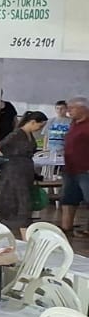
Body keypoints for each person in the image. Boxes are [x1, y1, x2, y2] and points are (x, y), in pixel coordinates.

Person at [0, 108, 48, 232]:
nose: (40, 128)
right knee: (13, 197)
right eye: (40, 125)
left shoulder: (30, 135)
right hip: (14, 170)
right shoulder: (17, 134)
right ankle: (11, 225)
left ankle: (23, 226)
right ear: (33, 122)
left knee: (23, 198)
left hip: (25, 170)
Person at [60, 97, 89, 237]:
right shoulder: (73, 123)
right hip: (70, 168)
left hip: (86, 169)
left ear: (83, 109)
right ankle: (66, 227)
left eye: (72, 108)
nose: (68, 111)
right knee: (68, 198)